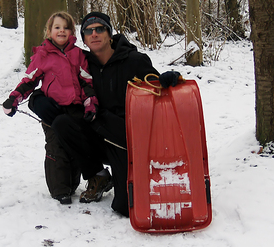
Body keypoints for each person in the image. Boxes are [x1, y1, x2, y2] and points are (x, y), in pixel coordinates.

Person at [51, 12, 181, 216]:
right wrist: (37, 98)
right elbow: (54, 77)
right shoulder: (81, 64)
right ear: (83, 38)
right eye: (88, 31)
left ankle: (127, 177)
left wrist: (167, 79)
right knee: (62, 123)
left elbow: (154, 86)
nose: (94, 34)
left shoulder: (134, 60)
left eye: (99, 29)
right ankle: (98, 175)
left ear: (109, 34)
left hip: (124, 139)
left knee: (125, 208)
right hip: (96, 133)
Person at [2, 11, 99, 205]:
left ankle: (72, 184)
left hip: (75, 108)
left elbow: (86, 82)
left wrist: (90, 105)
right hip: (53, 109)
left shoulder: (77, 54)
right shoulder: (43, 55)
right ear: (49, 31)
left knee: (73, 145)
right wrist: (13, 99)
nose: (61, 31)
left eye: (66, 27)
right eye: (57, 27)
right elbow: (29, 80)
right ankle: (59, 189)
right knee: (57, 147)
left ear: (72, 31)